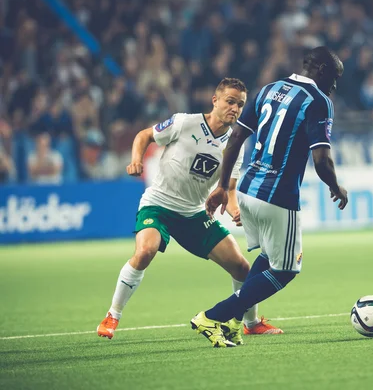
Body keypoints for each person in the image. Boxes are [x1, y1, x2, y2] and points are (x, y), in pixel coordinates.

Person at [97, 78, 282, 340]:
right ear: (215, 100)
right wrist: (136, 159)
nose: (235, 109)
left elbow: (228, 188)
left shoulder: (235, 143)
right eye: (230, 102)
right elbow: (144, 135)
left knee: (242, 268)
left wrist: (234, 209)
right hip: (158, 205)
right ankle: (112, 315)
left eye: (240, 105)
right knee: (146, 251)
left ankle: (250, 323)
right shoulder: (184, 122)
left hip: (194, 214)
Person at [190, 46, 349, 348]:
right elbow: (321, 160)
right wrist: (335, 186)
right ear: (323, 71)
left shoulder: (269, 89)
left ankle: (236, 324)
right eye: (335, 77)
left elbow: (236, 137)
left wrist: (224, 186)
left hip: (249, 188)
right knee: (287, 267)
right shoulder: (319, 101)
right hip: (278, 195)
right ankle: (214, 316)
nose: (336, 86)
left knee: (269, 256)